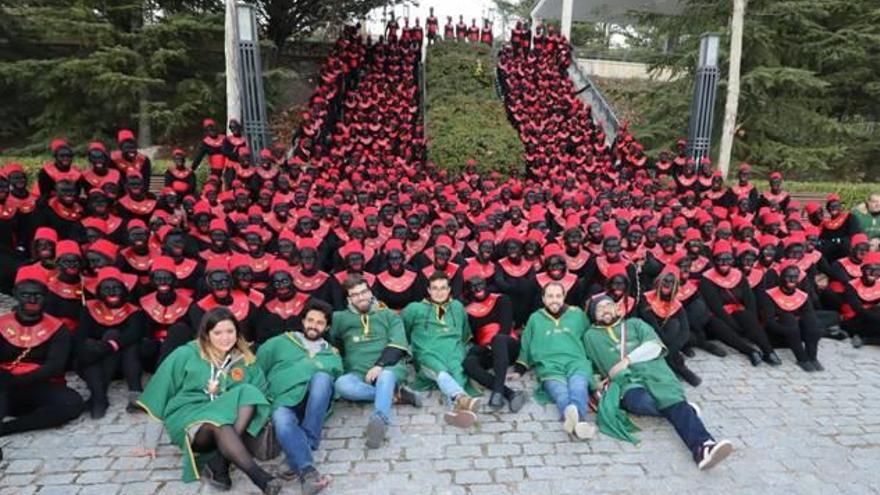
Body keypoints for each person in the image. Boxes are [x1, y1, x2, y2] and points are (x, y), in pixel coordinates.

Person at [135, 307, 280, 494]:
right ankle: (260, 477)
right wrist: (150, 442)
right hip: (189, 416)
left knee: (248, 391)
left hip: (224, 416)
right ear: (206, 333)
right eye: (217, 332)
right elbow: (160, 393)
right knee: (218, 421)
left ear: (237, 332)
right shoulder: (186, 354)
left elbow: (260, 393)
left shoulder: (244, 360)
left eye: (230, 331)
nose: (225, 338)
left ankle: (220, 462)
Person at [583, 296, 734, 470]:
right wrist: (596, 383)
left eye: (608, 305)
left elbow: (654, 346)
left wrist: (627, 360)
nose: (605, 310)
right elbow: (589, 364)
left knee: (669, 399)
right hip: (627, 381)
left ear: (617, 309)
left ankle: (703, 447)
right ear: (594, 315)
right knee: (638, 402)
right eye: (599, 309)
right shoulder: (590, 337)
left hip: (654, 373)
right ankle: (686, 411)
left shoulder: (635, 324)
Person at [329, 275, 421, 448]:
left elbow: (398, 345)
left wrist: (379, 365)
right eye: (355, 294)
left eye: (364, 292)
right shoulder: (339, 318)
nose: (361, 297)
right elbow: (335, 344)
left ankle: (379, 419)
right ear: (349, 299)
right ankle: (396, 395)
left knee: (385, 377)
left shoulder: (388, 315)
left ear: (370, 292)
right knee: (341, 385)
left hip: (388, 367)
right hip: (356, 373)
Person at [257, 300, 339, 494]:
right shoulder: (280, 342)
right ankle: (307, 471)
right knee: (282, 421)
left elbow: (333, 384)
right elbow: (257, 368)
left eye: (320, 322)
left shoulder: (331, 353)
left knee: (323, 378)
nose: (313, 325)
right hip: (283, 400)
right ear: (302, 321)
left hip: (312, 404)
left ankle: (305, 444)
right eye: (310, 320)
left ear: (326, 327)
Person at [0, 265, 84, 438]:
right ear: (16, 295)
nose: (32, 300)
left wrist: (19, 381)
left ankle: (8, 428)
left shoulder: (58, 329)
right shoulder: (2, 324)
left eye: (37, 295)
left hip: (37, 384)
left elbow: (54, 367)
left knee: (71, 404)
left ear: (46, 297)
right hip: (3, 383)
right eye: (25, 295)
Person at [514, 282, 596, 440]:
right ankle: (581, 423)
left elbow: (590, 337)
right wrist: (520, 368)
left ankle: (575, 420)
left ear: (564, 297)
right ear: (543, 299)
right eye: (550, 296)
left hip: (576, 361)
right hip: (549, 366)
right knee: (561, 393)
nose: (554, 300)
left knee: (578, 388)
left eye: (558, 296)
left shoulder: (577, 314)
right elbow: (526, 344)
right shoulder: (535, 318)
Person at [402, 272, 480, 428]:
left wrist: (459, 350)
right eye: (435, 288)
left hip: (453, 351)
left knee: (457, 370)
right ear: (429, 290)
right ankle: (461, 398)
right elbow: (404, 332)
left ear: (449, 289)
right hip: (427, 352)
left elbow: (464, 333)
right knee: (440, 371)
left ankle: (456, 409)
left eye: (443, 288)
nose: (439, 292)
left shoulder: (457, 307)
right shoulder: (414, 309)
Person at [77, 266, 145, 418]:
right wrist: (100, 347)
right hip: (97, 363)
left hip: (126, 365)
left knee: (120, 339)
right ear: (99, 292)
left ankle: (136, 393)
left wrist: (111, 344)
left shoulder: (134, 311)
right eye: (107, 288)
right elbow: (81, 336)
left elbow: (134, 334)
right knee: (89, 345)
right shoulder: (88, 309)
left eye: (116, 288)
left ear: (124, 290)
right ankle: (99, 397)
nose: (112, 292)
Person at [461, 264, 526, 412]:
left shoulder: (502, 299)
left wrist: (490, 345)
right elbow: (474, 339)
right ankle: (510, 393)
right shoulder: (469, 310)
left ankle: (497, 393)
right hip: (488, 350)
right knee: (468, 362)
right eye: (473, 286)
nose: (478, 288)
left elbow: (505, 328)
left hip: (509, 345)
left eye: (480, 284)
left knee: (499, 339)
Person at [758, 261, 823, 371]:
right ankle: (802, 358)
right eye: (789, 277)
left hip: (796, 332)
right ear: (782, 277)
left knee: (812, 322)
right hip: (778, 332)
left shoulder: (802, 295)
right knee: (788, 318)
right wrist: (788, 330)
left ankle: (812, 357)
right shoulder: (769, 295)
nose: (792, 280)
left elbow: (809, 314)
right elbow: (769, 321)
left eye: (795, 277)